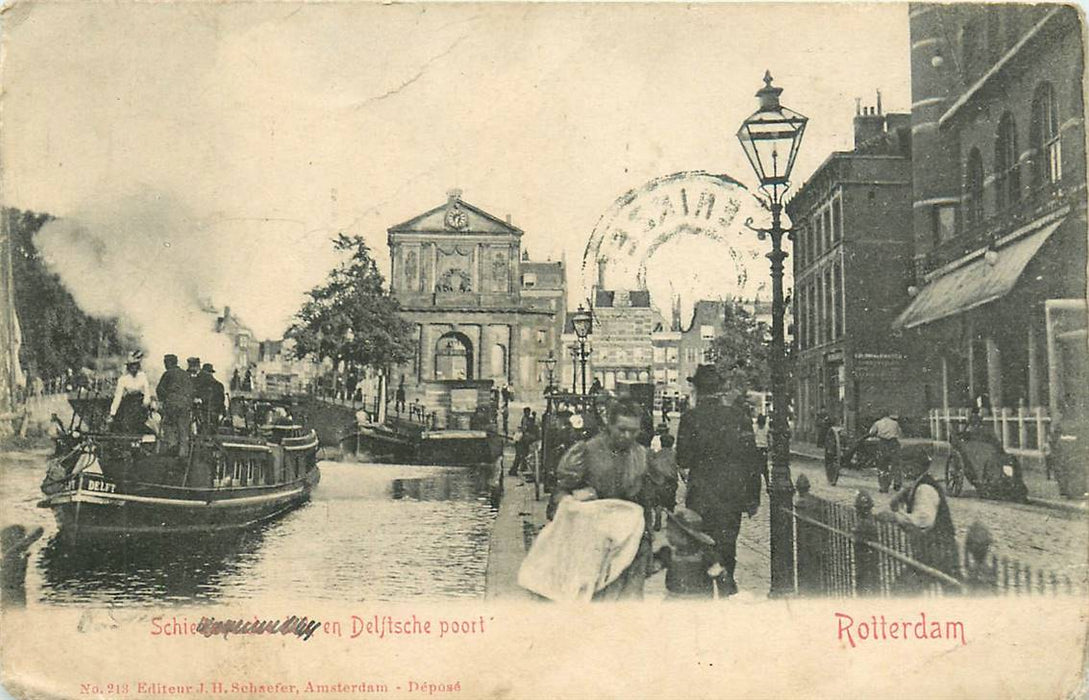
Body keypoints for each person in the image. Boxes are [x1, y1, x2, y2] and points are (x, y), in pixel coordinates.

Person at [548, 398, 677, 600]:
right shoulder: (587, 451)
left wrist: (647, 543)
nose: (627, 436)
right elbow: (557, 499)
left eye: (633, 431)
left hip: (631, 546)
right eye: (622, 429)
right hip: (593, 545)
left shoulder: (642, 456)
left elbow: (647, 504)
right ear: (609, 425)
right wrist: (574, 498)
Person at [676, 365, 763, 597]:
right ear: (721, 389)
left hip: (701, 495)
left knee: (703, 547)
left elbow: (682, 458)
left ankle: (706, 597)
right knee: (727, 546)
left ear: (697, 389)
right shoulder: (739, 417)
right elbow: (753, 460)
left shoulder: (690, 418)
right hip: (732, 495)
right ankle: (727, 590)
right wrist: (753, 498)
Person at [877, 448, 959, 593]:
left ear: (915, 466)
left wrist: (895, 518)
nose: (904, 468)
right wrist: (906, 493)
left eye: (907, 464)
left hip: (937, 549)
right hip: (933, 549)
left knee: (904, 589)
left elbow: (924, 520)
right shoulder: (921, 483)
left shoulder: (925, 488)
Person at [655, 508, 722, 600]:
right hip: (674, 598)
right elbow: (652, 566)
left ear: (685, 537)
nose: (667, 535)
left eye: (671, 531)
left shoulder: (705, 555)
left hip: (700, 601)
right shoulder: (668, 553)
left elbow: (719, 574)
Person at [157, 354, 194, 456]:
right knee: (183, 430)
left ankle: (171, 448)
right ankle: (183, 454)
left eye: (165, 363)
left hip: (172, 405)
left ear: (168, 363)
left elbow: (160, 390)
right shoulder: (185, 374)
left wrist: (165, 399)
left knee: (168, 426)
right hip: (185, 406)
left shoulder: (168, 374)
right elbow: (191, 390)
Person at [1, 524, 43, 608]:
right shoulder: (11, 554)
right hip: (14, 591)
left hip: (13, 591)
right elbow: (38, 530)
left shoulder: (12, 555)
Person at [109, 351, 151, 434]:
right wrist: (112, 412)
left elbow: (147, 390)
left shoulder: (142, 376)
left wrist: (146, 402)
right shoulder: (123, 379)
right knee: (126, 423)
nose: (134, 367)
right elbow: (118, 396)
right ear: (128, 367)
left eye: (135, 365)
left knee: (144, 423)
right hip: (129, 403)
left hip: (141, 403)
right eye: (132, 365)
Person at [867, 410, 903, 493]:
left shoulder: (878, 423)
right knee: (896, 464)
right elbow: (900, 433)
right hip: (894, 444)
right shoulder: (895, 423)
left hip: (883, 444)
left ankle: (884, 487)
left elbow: (871, 432)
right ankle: (897, 483)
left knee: (882, 465)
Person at [651, 433, 679, 529]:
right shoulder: (675, 455)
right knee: (670, 503)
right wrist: (685, 478)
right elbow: (680, 469)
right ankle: (670, 522)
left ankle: (658, 520)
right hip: (670, 482)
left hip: (658, 481)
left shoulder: (656, 454)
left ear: (661, 443)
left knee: (658, 503)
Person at [196, 363, 225, 434]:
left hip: (204, 410)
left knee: (203, 429)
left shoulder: (201, 384)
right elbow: (222, 400)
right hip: (215, 411)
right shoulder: (219, 385)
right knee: (213, 430)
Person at [753, 414, 771, 489]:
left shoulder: (755, 427)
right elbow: (769, 438)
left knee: (758, 466)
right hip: (763, 449)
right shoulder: (766, 428)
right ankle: (767, 482)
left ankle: (760, 482)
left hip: (758, 448)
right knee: (764, 467)